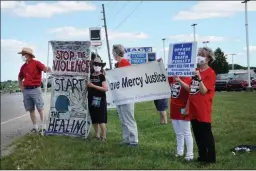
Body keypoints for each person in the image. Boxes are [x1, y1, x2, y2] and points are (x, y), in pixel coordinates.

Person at [176, 47, 216, 164]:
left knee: (205, 133)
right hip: (193, 107)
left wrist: (199, 79)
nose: (199, 57)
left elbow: (203, 91)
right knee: (197, 133)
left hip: (203, 107)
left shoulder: (210, 73)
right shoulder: (196, 70)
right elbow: (191, 89)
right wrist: (180, 81)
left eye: (202, 55)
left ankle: (210, 158)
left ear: (208, 58)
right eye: (198, 54)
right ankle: (202, 155)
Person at [18, 47, 51, 133]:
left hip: (35, 89)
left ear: (29, 55)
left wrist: (48, 69)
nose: (22, 56)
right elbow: (20, 77)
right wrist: (21, 87)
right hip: (26, 90)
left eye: (24, 54)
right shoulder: (23, 67)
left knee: (40, 108)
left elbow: (45, 69)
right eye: (22, 55)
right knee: (31, 109)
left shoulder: (36, 63)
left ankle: (43, 127)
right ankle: (35, 127)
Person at [112, 44, 139, 147]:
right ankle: (126, 139)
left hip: (126, 95)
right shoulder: (120, 63)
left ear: (116, 52)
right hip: (121, 95)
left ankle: (134, 141)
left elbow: (125, 78)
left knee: (128, 118)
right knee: (123, 118)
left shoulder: (124, 62)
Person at [168, 76, 194, 161]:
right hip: (173, 108)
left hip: (183, 108)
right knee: (178, 133)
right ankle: (180, 152)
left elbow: (191, 90)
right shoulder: (172, 77)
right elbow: (162, 77)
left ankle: (190, 154)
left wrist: (180, 81)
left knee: (186, 132)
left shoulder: (189, 78)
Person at [87, 57, 108, 142]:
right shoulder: (90, 76)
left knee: (101, 119)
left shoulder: (102, 76)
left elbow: (105, 88)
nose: (97, 66)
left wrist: (93, 86)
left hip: (100, 99)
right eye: (95, 64)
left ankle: (104, 136)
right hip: (91, 99)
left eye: (99, 64)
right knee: (94, 118)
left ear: (101, 66)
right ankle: (97, 135)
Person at [153, 58, 168, 124]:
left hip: (162, 92)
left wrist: (160, 62)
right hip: (157, 92)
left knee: (162, 108)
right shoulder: (155, 72)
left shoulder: (163, 72)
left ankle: (165, 122)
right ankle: (161, 122)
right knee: (159, 108)